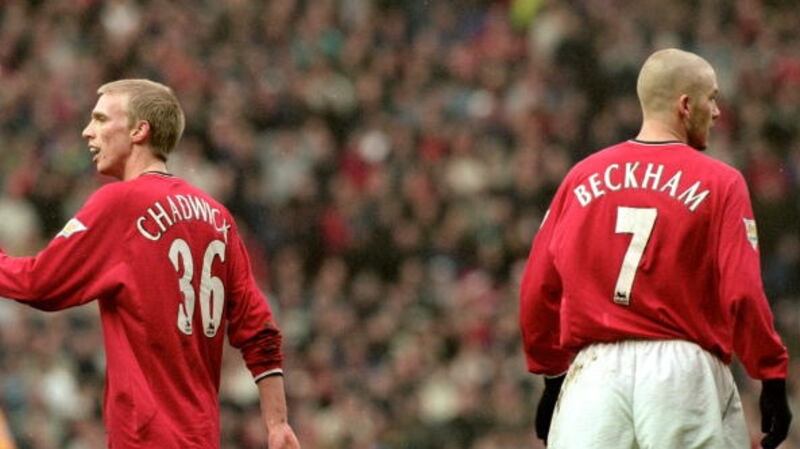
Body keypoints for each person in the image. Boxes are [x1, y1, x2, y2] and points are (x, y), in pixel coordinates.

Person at [0, 79, 301, 449]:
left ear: (139, 130)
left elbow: (37, 284)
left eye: (100, 119)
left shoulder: (119, 204)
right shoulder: (219, 218)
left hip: (144, 438)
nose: (87, 131)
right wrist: (277, 423)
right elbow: (259, 331)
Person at [519, 49, 791, 448]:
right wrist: (770, 373)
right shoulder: (721, 182)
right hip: (682, 375)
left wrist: (552, 375)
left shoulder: (580, 178)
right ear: (685, 105)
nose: (716, 112)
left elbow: (536, 290)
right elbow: (744, 292)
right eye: (711, 98)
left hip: (593, 377)